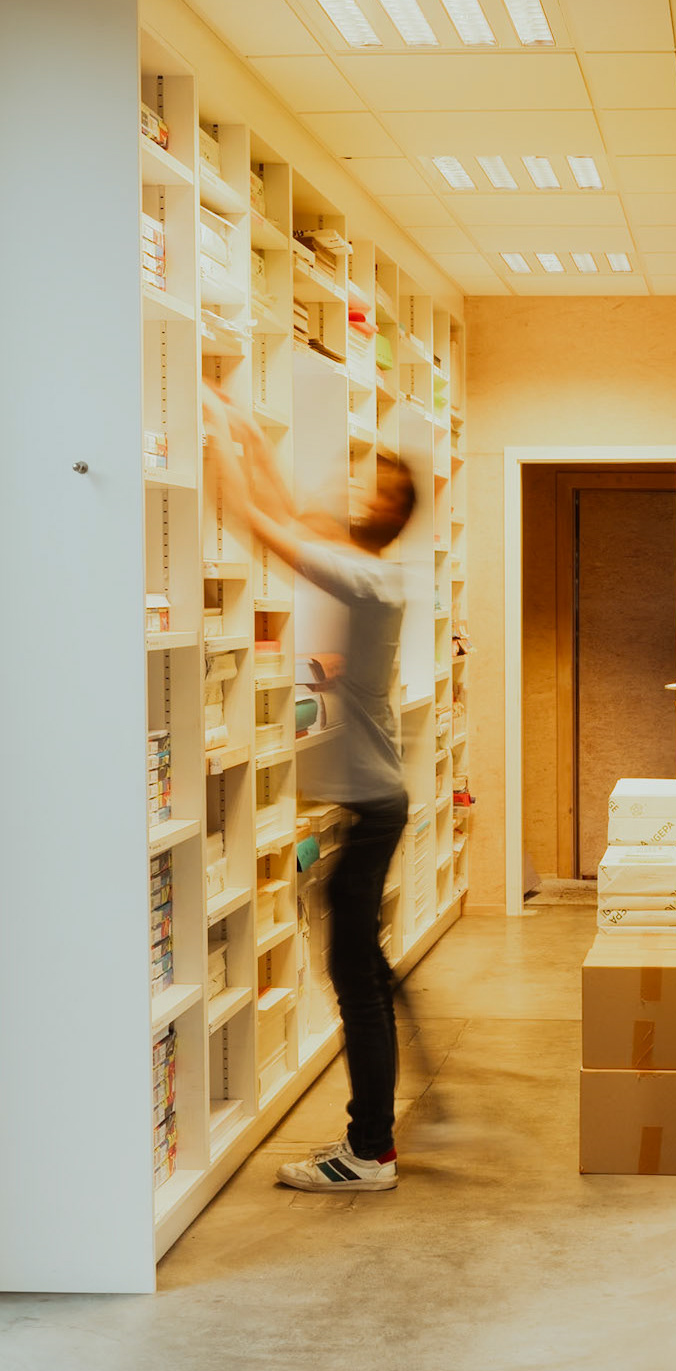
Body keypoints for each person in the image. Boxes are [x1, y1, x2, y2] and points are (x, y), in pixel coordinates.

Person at [203, 389, 416, 1190]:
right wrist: (247, 431)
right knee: (362, 966)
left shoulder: (360, 577)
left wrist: (216, 437)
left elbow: (261, 524)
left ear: (389, 514)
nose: (353, 495)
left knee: (354, 981)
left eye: (371, 490)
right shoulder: (374, 572)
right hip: (376, 801)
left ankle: (369, 1152)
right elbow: (291, 510)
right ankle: (374, 1136)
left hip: (373, 807)